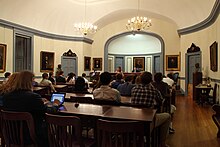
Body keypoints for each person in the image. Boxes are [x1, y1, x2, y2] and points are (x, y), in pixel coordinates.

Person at [2, 70, 60, 147]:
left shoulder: (7, 96)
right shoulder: (33, 97)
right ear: (29, 82)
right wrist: (56, 105)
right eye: (33, 80)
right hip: (30, 135)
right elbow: (46, 112)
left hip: (11, 135)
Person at [131, 71, 171, 147]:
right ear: (150, 80)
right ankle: (162, 143)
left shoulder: (134, 89)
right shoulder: (154, 90)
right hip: (148, 122)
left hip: (135, 119)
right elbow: (161, 101)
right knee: (167, 116)